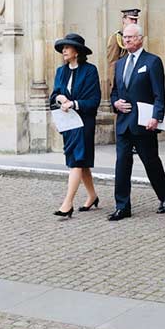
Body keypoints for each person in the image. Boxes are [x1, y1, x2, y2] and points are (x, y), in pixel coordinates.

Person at [109, 23, 165, 220]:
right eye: (125, 37)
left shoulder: (152, 62)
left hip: (144, 124)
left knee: (151, 163)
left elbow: (159, 94)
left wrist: (156, 117)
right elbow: (114, 92)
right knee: (121, 165)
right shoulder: (119, 64)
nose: (126, 40)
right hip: (123, 124)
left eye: (130, 37)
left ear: (140, 39)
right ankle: (122, 206)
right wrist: (115, 103)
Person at [49, 33, 102, 217]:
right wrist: (60, 97)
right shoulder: (60, 72)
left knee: (77, 161)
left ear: (77, 51)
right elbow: (54, 95)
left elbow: (94, 100)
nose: (64, 50)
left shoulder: (90, 71)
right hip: (68, 123)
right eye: (63, 47)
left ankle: (67, 203)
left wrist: (74, 103)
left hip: (84, 122)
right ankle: (93, 196)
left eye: (67, 47)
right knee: (81, 161)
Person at [106, 8, 140, 74]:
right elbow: (112, 64)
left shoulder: (138, 37)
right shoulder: (116, 38)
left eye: (135, 19)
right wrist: (114, 83)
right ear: (124, 20)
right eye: (131, 19)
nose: (134, 22)